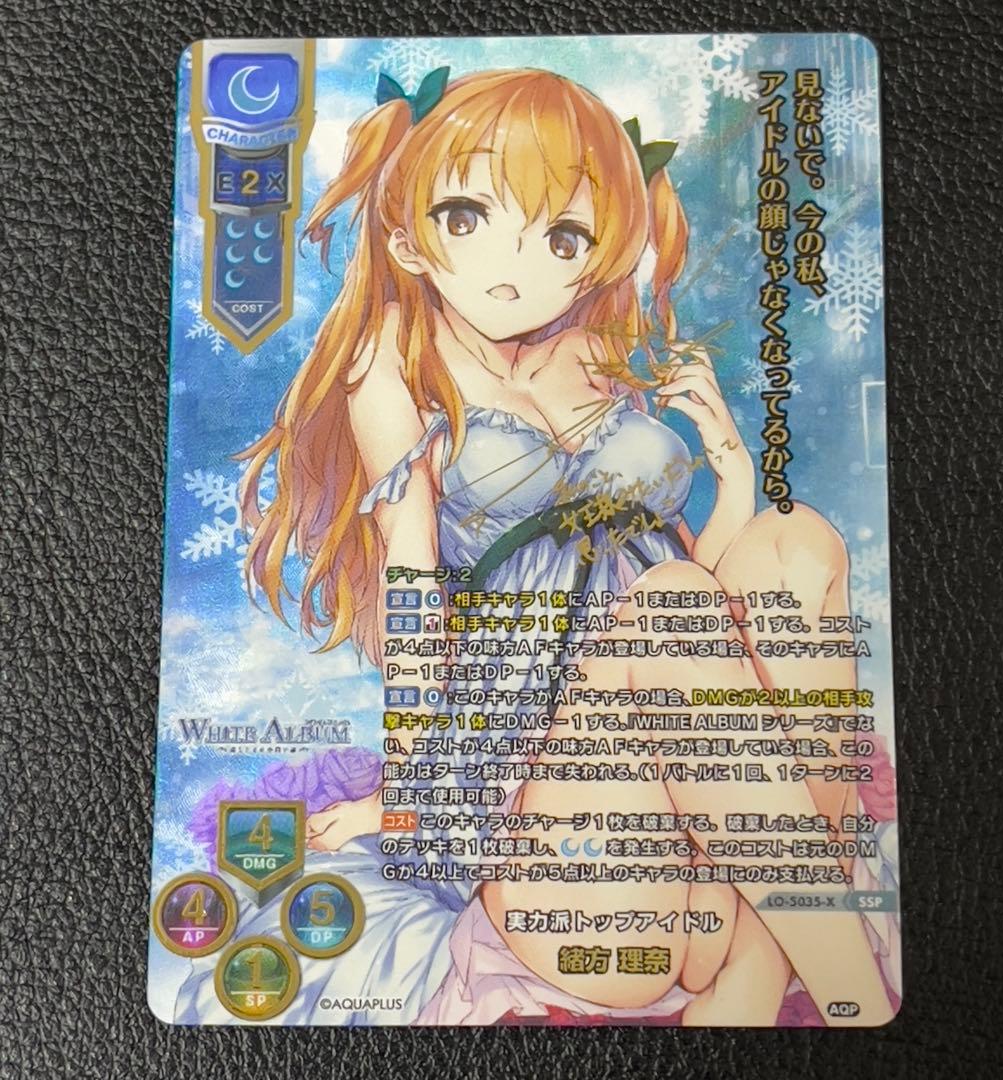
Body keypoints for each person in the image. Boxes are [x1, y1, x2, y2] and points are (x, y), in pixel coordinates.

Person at [177, 67, 897, 1026]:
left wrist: (729, 469)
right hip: (553, 798)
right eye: (468, 216)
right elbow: (410, 573)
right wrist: (417, 792)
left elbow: (697, 591)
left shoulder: (605, 352)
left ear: (599, 254)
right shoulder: (396, 354)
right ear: (408, 237)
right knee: (674, 606)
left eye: (562, 236)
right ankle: (827, 982)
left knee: (792, 540)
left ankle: (764, 961)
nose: (513, 268)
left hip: (698, 798)